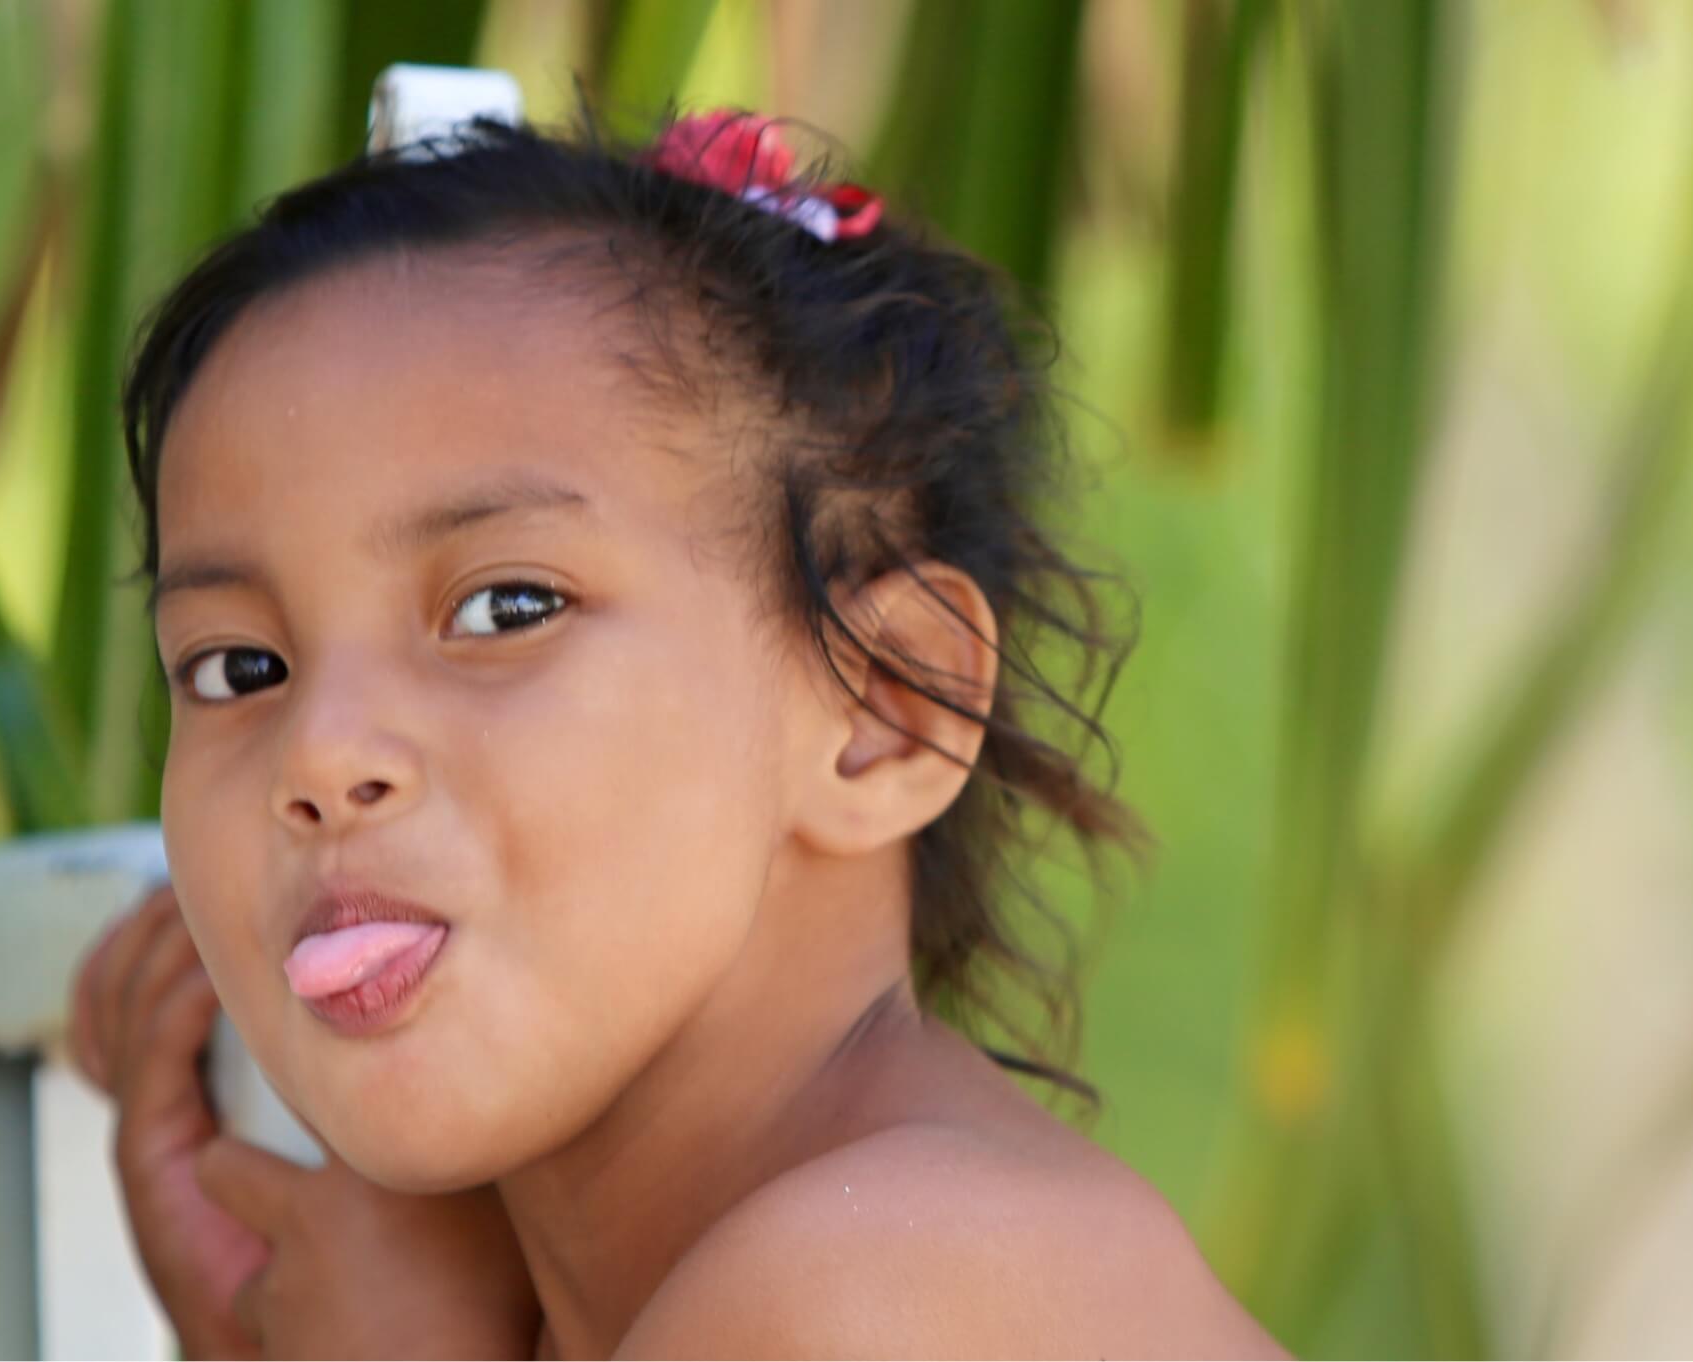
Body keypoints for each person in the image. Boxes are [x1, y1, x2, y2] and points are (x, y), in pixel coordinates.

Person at [66, 105, 1290, 1359]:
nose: (317, 756)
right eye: (238, 665)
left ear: (887, 708)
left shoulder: (878, 1282)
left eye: (506, 607)